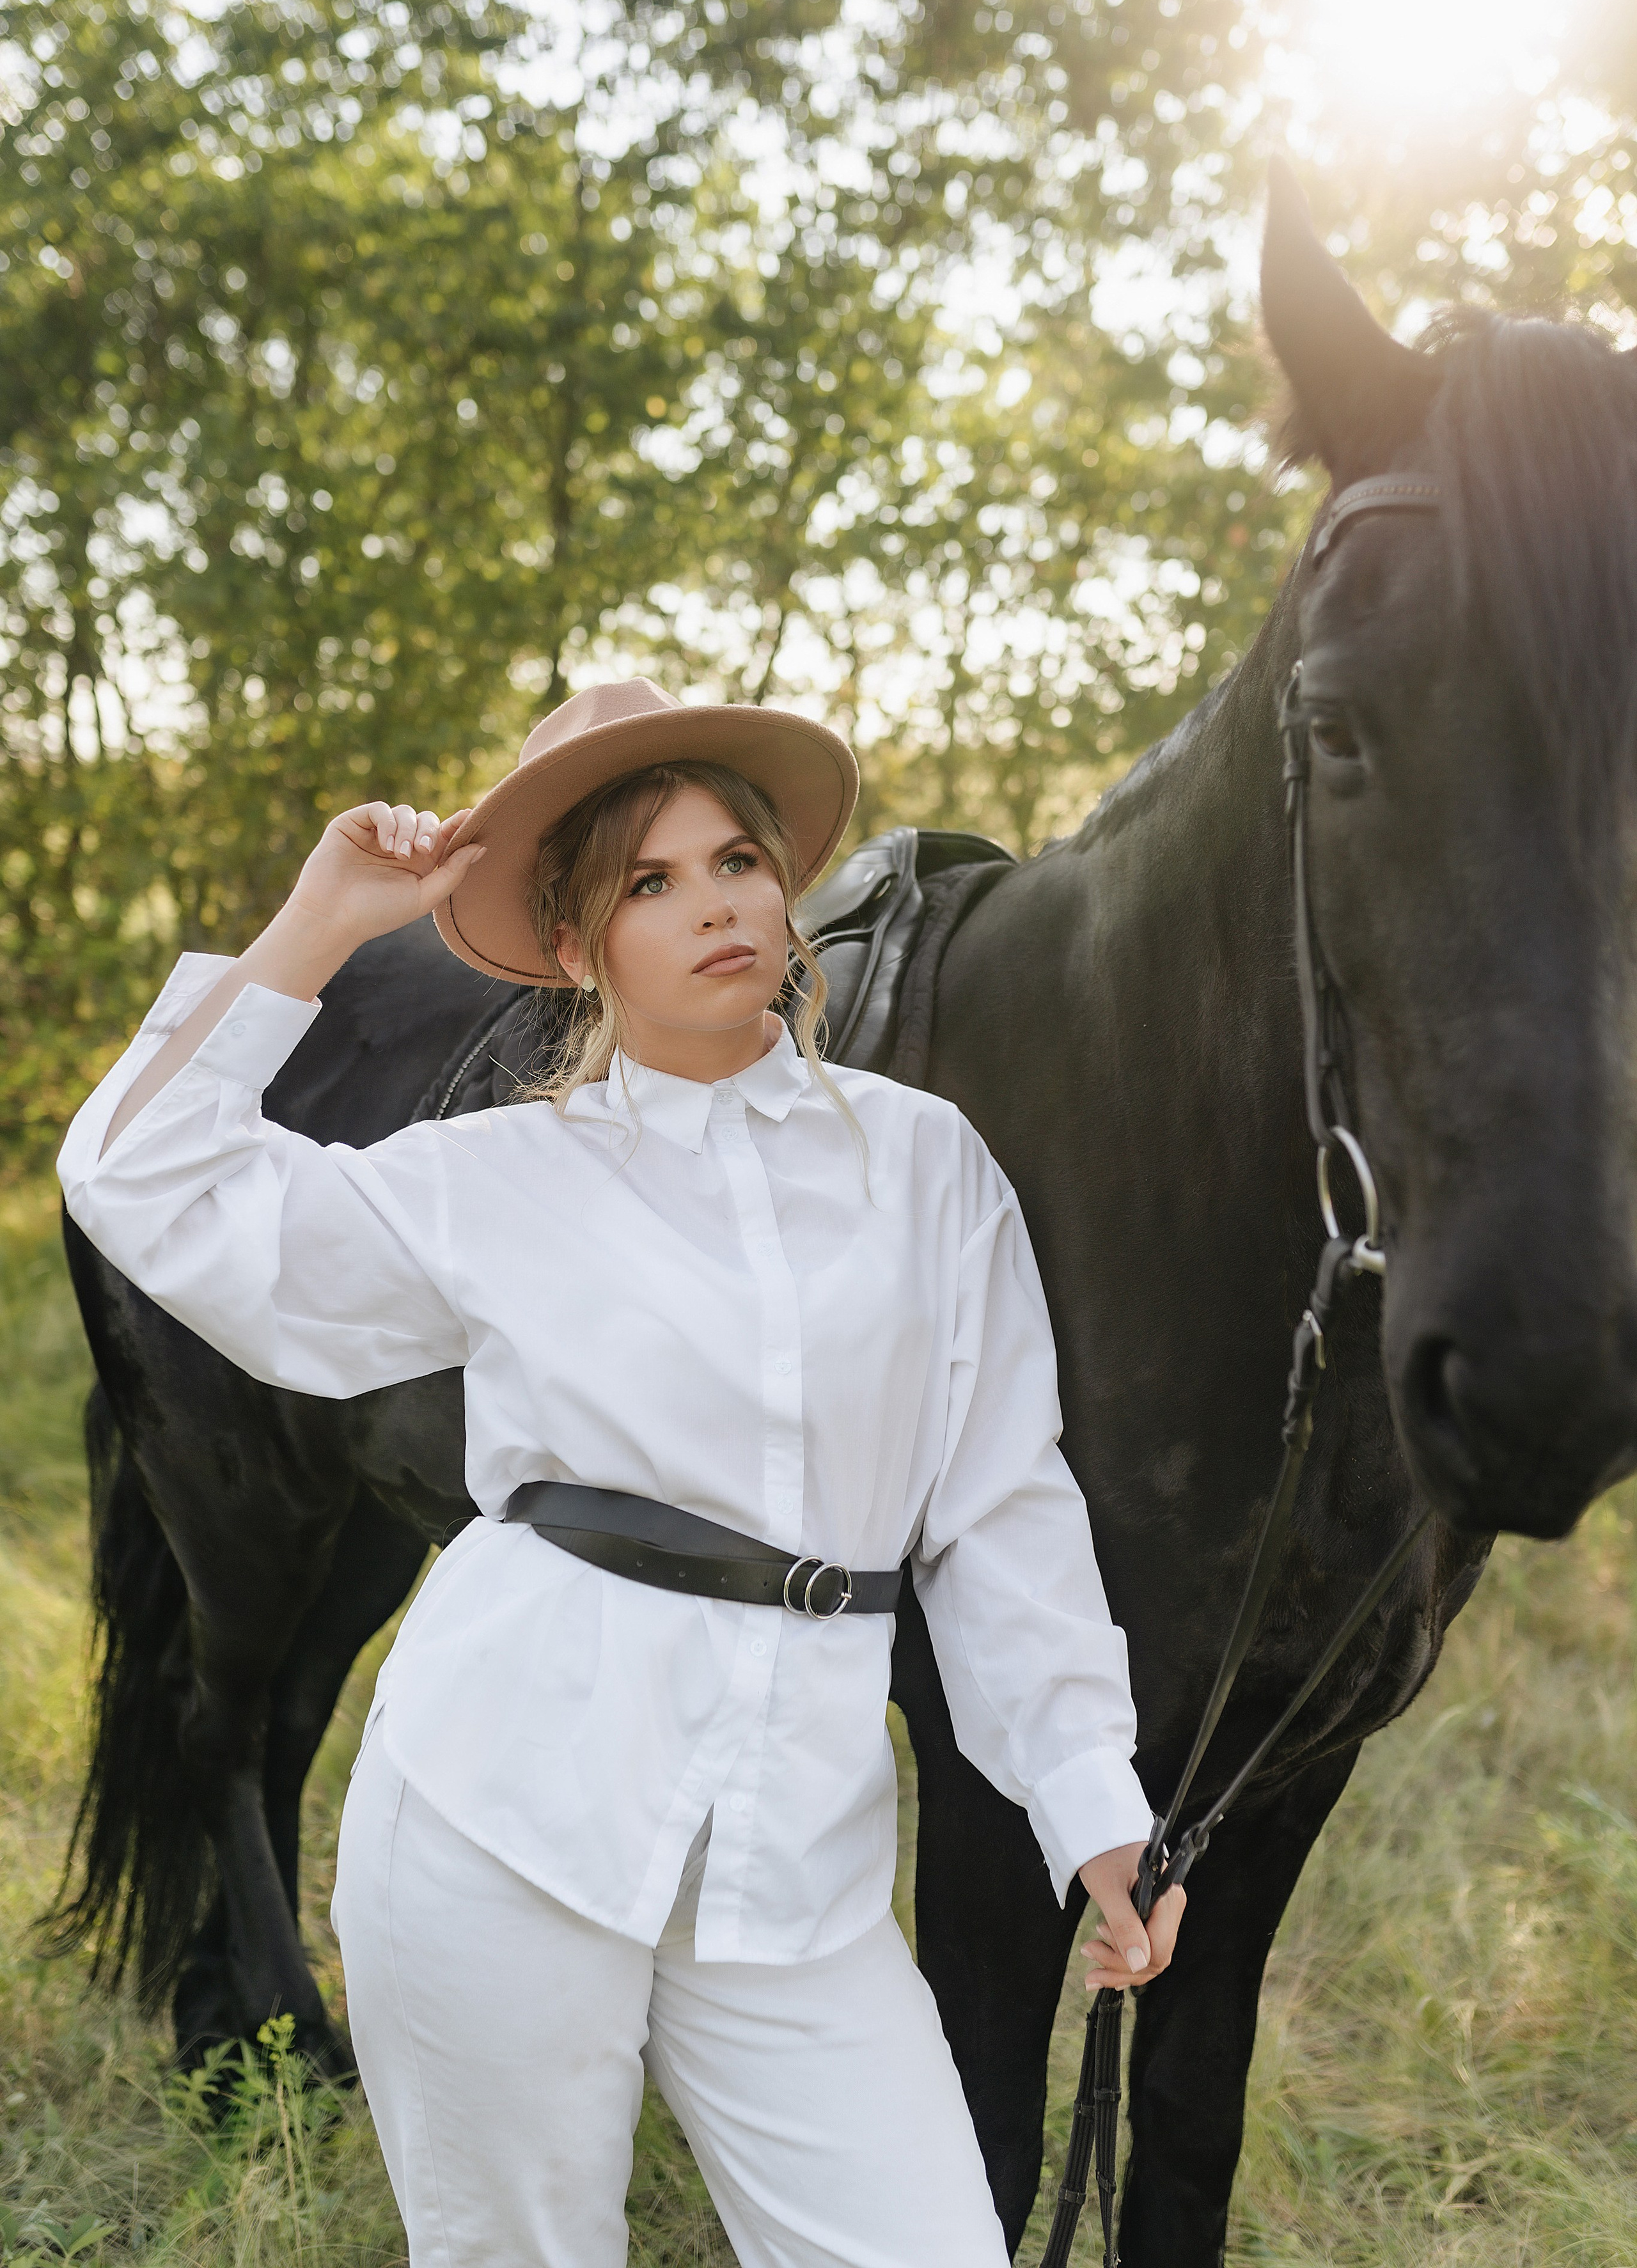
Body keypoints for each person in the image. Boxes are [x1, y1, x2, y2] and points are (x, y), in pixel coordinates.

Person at [58, 676, 1184, 2268]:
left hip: (797, 1871)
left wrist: (1092, 1802)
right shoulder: (503, 1175)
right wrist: (316, 926)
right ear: (576, 946)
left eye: (736, 859)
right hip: (497, 1820)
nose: (714, 904)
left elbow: (1001, 1514)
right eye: (647, 882)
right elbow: (144, 1182)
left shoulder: (929, 1164)